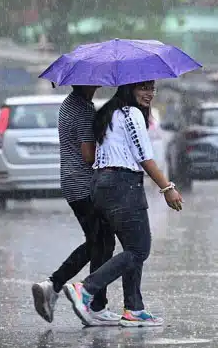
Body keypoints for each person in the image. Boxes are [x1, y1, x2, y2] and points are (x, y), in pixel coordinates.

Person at [63, 80, 183, 328]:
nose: (149, 93)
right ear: (128, 89)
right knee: (139, 249)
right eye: (143, 88)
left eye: (152, 88)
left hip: (102, 185)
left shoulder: (110, 112)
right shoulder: (131, 114)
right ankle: (85, 289)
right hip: (122, 185)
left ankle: (134, 308)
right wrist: (167, 188)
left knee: (131, 248)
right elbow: (144, 156)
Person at [32, 85, 119, 326]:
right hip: (84, 185)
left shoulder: (71, 104)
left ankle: (55, 285)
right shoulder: (82, 110)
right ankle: (94, 304)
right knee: (103, 241)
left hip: (73, 182)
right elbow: (88, 155)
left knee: (97, 241)